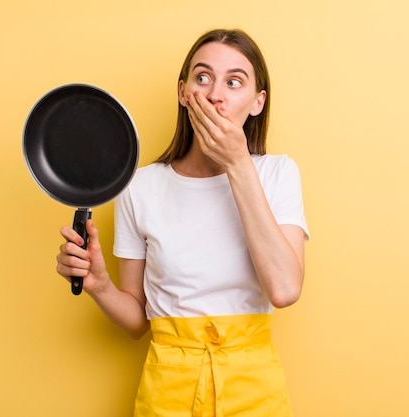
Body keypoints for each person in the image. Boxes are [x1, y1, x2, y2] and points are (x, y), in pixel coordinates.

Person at [56, 28, 309, 417]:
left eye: (234, 82)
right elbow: (138, 320)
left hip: (254, 389)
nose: (215, 95)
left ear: (257, 102)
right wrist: (101, 286)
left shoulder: (277, 174)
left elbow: (285, 289)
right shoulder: (139, 186)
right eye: (202, 78)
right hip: (167, 390)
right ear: (183, 92)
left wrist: (238, 163)